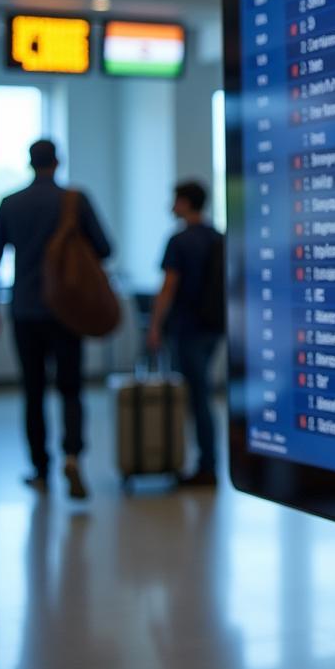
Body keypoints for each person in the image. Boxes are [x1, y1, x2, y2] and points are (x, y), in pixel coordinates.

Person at [0, 139, 112, 500]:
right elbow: (105, 248)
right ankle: (73, 455)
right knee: (71, 388)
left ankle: (40, 469)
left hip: (25, 309)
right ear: (58, 162)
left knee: (33, 391)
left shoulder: (10, 203)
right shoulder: (75, 200)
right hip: (67, 309)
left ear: (29, 163)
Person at [147, 180, 223, 488]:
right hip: (214, 327)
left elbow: (168, 288)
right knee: (202, 393)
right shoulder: (217, 237)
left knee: (196, 397)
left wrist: (154, 325)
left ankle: (205, 465)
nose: (171, 205)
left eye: (175, 199)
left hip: (187, 328)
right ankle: (206, 461)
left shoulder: (179, 241)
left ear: (185, 203)